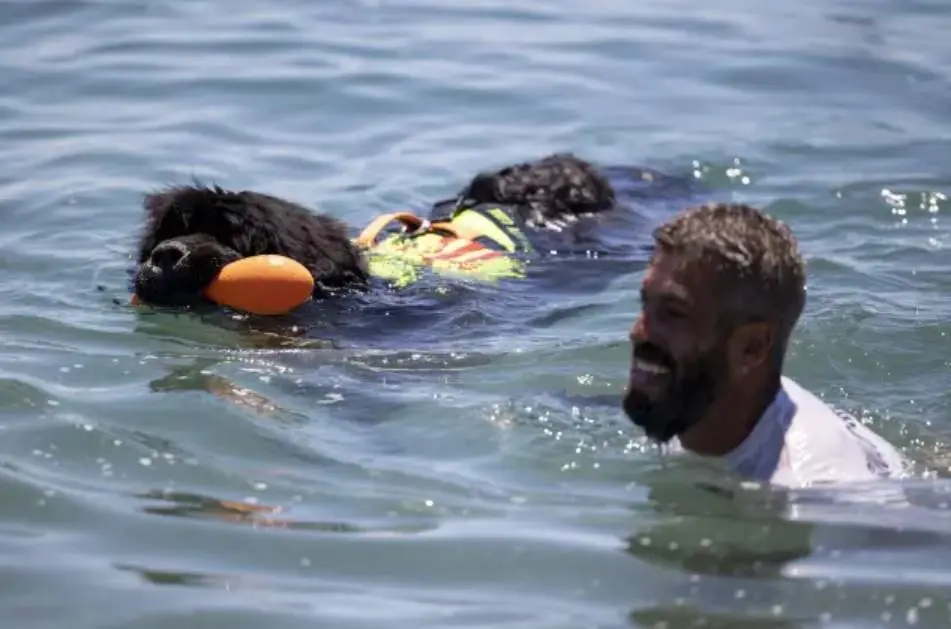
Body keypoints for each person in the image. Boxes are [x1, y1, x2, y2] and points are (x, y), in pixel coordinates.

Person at [622, 202, 909, 487]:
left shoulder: (813, 489)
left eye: (674, 313)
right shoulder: (686, 399)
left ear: (752, 347)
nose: (637, 332)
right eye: (646, 303)